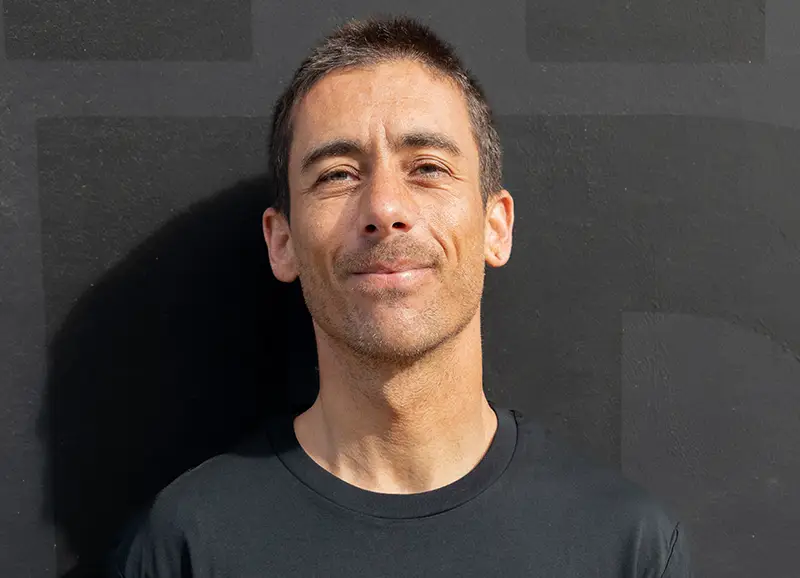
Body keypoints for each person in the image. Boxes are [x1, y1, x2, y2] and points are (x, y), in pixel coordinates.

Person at [108, 15, 691, 577]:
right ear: (281, 242)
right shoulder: (187, 545)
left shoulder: (624, 545)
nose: (384, 208)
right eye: (337, 174)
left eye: (428, 168)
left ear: (496, 227)